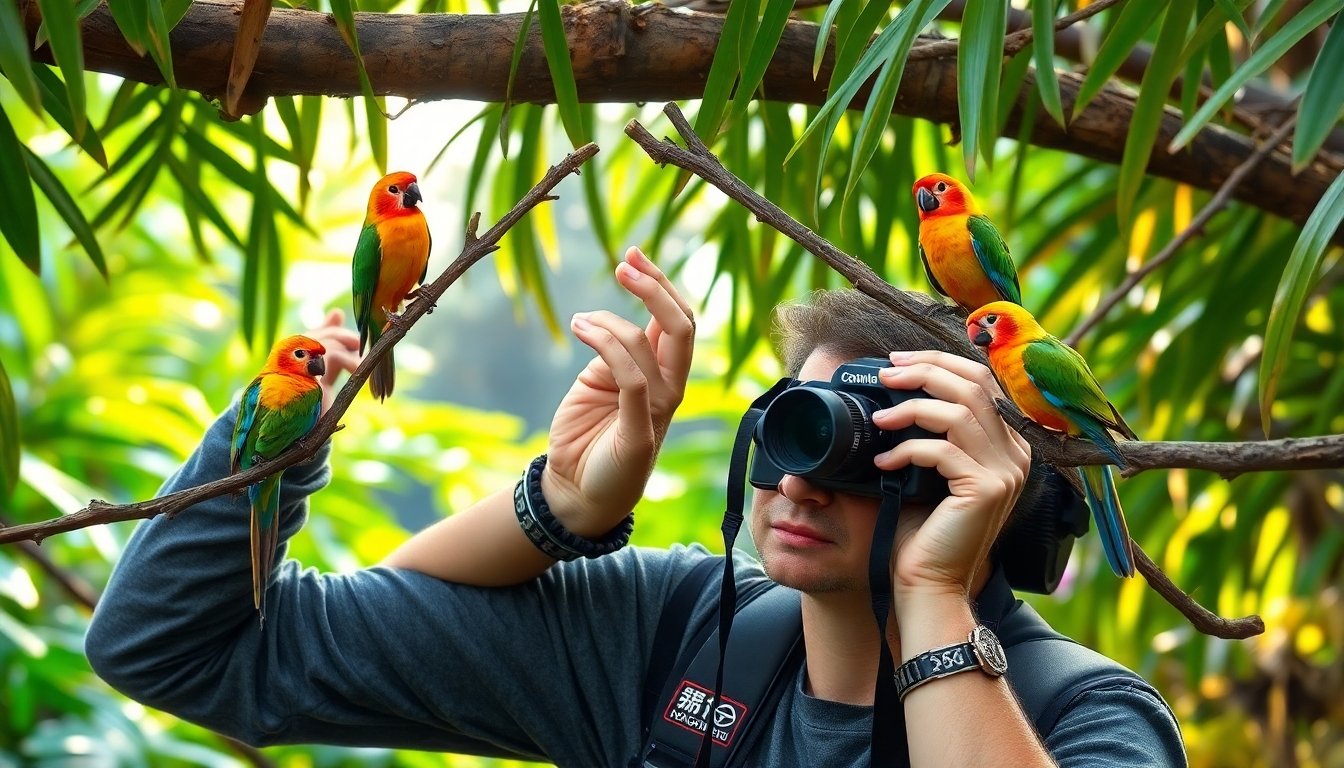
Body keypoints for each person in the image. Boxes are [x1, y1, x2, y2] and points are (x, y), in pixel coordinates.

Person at [85, 246, 1186, 767]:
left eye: (871, 442)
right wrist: (558, 506)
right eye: (795, 423)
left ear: (969, 474)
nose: (801, 475)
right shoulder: (674, 637)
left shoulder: (1088, 723)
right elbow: (190, 650)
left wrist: (936, 593)